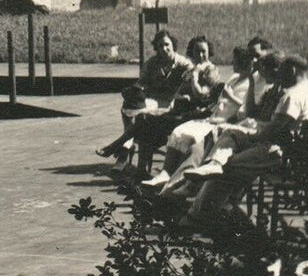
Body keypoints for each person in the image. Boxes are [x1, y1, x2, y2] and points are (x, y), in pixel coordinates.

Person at [183, 54, 308, 225]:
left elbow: (270, 133)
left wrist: (249, 133)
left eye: (281, 72)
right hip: (304, 157)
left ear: (292, 70)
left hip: (285, 156)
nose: (279, 77)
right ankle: (215, 201)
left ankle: (200, 215)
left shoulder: (293, 96)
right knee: (232, 139)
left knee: (228, 165)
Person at [97, 34, 221, 176]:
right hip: (178, 112)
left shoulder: (211, 70)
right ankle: (139, 168)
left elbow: (202, 95)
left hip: (192, 117)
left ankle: (118, 147)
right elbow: (179, 91)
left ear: (209, 52)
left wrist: (193, 80)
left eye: (203, 51)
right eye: (196, 52)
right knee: (143, 119)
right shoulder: (191, 69)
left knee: (144, 121)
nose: (200, 55)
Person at [143, 44, 255, 190]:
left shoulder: (250, 85)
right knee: (180, 130)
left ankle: (181, 181)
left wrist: (229, 96)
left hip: (224, 122)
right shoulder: (234, 78)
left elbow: (244, 110)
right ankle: (165, 173)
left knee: (193, 138)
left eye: (235, 60)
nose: (232, 63)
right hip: (214, 116)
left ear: (244, 63)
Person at [107, 28, 193, 172]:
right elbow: (141, 83)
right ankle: (127, 146)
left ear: (173, 45)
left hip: (173, 102)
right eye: (160, 46)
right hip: (153, 100)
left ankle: (125, 148)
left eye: (167, 44)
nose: (164, 49)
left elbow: (193, 76)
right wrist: (135, 91)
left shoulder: (183, 64)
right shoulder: (151, 63)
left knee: (141, 117)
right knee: (130, 107)